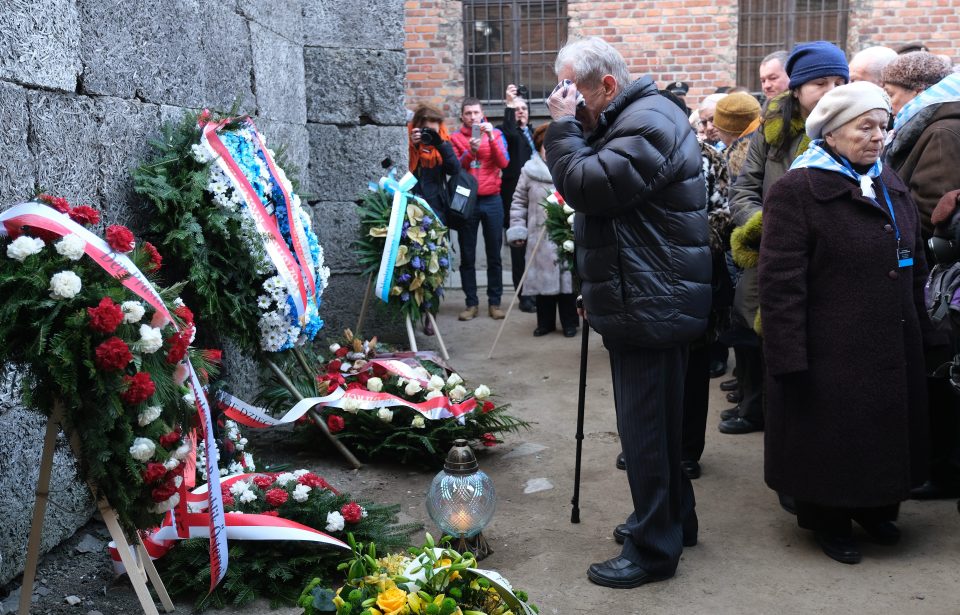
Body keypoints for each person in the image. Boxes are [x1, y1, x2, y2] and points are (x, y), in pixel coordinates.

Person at [545, 36, 709, 589]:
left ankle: (653, 551)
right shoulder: (637, 116)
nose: (566, 101)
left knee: (646, 431)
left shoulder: (649, 122)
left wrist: (565, 126)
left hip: (651, 303)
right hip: (645, 294)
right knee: (657, 427)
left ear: (606, 86)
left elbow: (585, 186)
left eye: (573, 92)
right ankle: (671, 521)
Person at [760, 81, 940, 564]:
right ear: (833, 134)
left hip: (891, 338)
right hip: (829, 346)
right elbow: (780, 282)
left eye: (883, 125)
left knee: (883, 430)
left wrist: (923, 329)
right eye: (865, 127)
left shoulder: (889, 182)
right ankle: (830, 520)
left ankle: (877, 508)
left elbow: (915, 261)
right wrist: (787, 355)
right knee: (831, 435)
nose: (877, 136)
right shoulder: (797, 190)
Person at [724, 41, 849, 437]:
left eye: (838, 81)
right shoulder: (771, 132)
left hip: (827, 265)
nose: (831, 91)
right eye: (820, 84)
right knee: (759, 337)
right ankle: (758, 411)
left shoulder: (854, 128)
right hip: (770, 256)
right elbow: (744, 189)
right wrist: (766, 226)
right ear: (797, 89)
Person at [882, 52, 960, 500]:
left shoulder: (943, 131)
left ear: (917, 91)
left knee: (941, 369)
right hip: (930, 270)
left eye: (892, 93)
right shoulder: (932, 124)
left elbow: (934, 208)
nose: (890, 103)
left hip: (937, 275)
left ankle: (945, 470)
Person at [506, 123, 578, 337]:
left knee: (567, 282)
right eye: (546, 146)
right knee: (542, 281)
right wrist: (518, 229)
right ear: (539, 147)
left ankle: (570, 322)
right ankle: (545, 323)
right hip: (539, 237)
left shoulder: (570, 169)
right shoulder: (529, 172)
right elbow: (518, 202)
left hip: (566, 234)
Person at [449, 97, 510, 321]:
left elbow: (504, 163)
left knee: (494, 254)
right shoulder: (455, 138)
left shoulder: (496, 134)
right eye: (468, 113)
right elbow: (455, 168)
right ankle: (471, 303)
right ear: (462, 116)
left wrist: (491, 137)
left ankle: (495, 303)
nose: (473, 117)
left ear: (482, 113)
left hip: (492, 198)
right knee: (467, 254)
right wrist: (469, 152)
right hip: (467, 200)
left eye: (476, 113)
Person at [408, 104, 460, 335]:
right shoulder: (410, 141)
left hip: (437, 209)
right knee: (411, 261)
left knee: (435, 263)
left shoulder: (442, 141)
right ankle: (412, 310)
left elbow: (455, 168)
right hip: (411, 206)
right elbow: (403, 171)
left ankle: (432, 313)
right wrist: (413, 144)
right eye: (425, 130)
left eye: (434, 130)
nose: (429, 134)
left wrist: (440, 143)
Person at [498, 85, 537, 314]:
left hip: (537, 197)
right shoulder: (508, 134)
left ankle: (538, 292)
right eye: (516, 109)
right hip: (515, 198)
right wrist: (509, 106)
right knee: (519, 248)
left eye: (523, 108)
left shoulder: (533, 134)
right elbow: (510, 132)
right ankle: (523, 296)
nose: (520, 112)